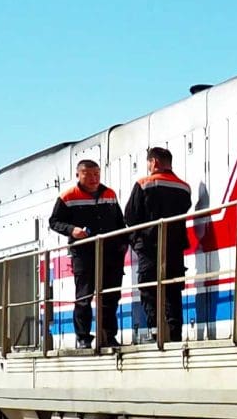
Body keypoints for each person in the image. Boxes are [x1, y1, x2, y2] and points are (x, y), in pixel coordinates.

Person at [49, 159, 128, 349]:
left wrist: (123, 244)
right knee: (84, 296)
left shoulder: (109, 194)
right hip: (84, 254)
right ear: (78, 175)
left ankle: (108, 335)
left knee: (110, 296)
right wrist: (71, 230)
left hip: (111, 254)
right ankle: (83, 337)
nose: (94, 178)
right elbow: (54, 221)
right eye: (89, 174)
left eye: (97, 174)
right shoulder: (68, 196)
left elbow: (120, 221)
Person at [124, 146, 194, 343]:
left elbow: (130, 215)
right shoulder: (184, 187)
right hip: (175, 247)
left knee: (148, 288)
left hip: (149, 246)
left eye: (148, 162)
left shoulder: (144, 183)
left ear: (154, 162)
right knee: (172, 290)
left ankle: (155, 331)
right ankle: (174, 332)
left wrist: (137, 237)